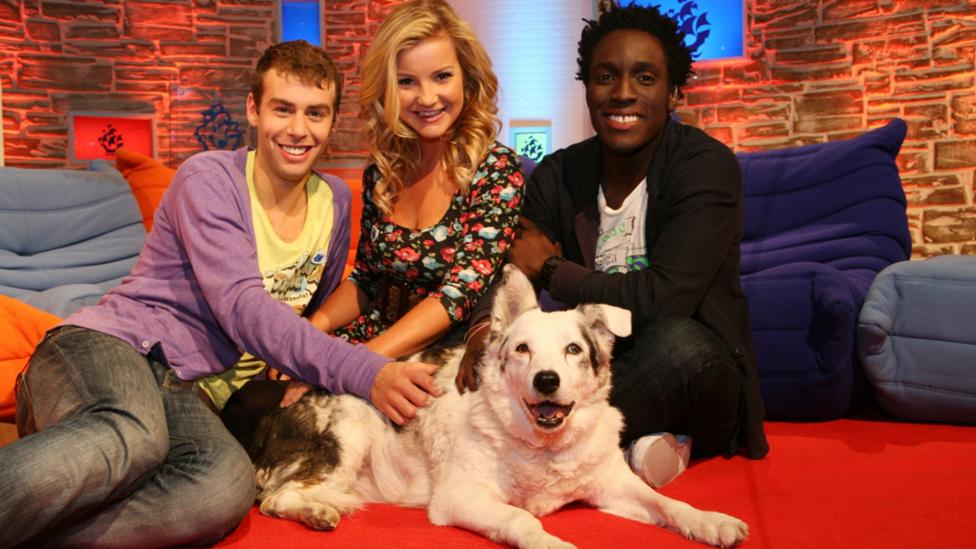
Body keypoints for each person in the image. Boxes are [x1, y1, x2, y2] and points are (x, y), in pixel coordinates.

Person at [0, 40, 442, 549]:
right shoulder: (209, 177)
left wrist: (326, 363)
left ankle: (33, 530)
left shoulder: (336, 201)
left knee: (223, 487)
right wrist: (367, 371)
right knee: (132, 436)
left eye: (315, 113)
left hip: (182, 389)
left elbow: (313, 312)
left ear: (332, 121)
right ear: (254, 110)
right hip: (110, 347)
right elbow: (245, 309)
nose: (299, 130)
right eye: (283, 109)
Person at [458, 3, 769, 488]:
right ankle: (635, 447)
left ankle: (526, 456)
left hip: (693, 370)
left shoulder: (706, 168)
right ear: (586, 86)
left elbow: (665, 300)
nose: (623, 93)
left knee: (680, 343)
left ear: (673, 92)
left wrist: (554, 269)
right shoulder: (559, 174)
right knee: (526, 361)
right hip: (585, 366)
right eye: (606, 76)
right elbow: (510, 269)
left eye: (645, 78)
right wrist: (482, 332)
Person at [222, 0, 524, 428]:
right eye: (406, 81)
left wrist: (353, 365)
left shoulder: (496, 170)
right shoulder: (384, 170)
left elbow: (458, 295)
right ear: (387, 88)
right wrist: (311, 336)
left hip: (444, 352)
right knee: (249, 406)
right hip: (372, 335)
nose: (426, 97)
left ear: (467, 78)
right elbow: (364, 278)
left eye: (441, 76)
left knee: (302, 422)